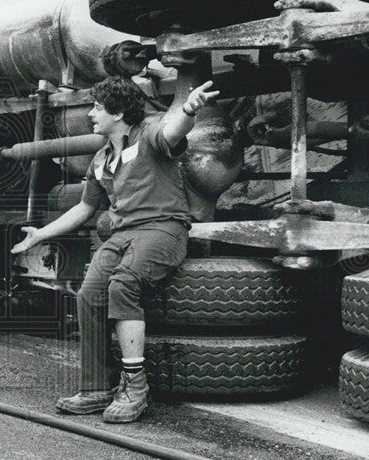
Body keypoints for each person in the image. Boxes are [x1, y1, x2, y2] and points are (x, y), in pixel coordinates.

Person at [11, 75, 219, 423]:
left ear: (118, 111)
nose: (91, 114)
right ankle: (96, 389)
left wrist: (188, 110)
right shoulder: (100, 159)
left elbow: (173, 133)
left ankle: (135, 387)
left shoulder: (148, 134)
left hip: (162, 229)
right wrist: (39, 235)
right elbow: (84, 208)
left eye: (96, 107)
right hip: (122, 235)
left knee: (123, 285)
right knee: (89, 293)